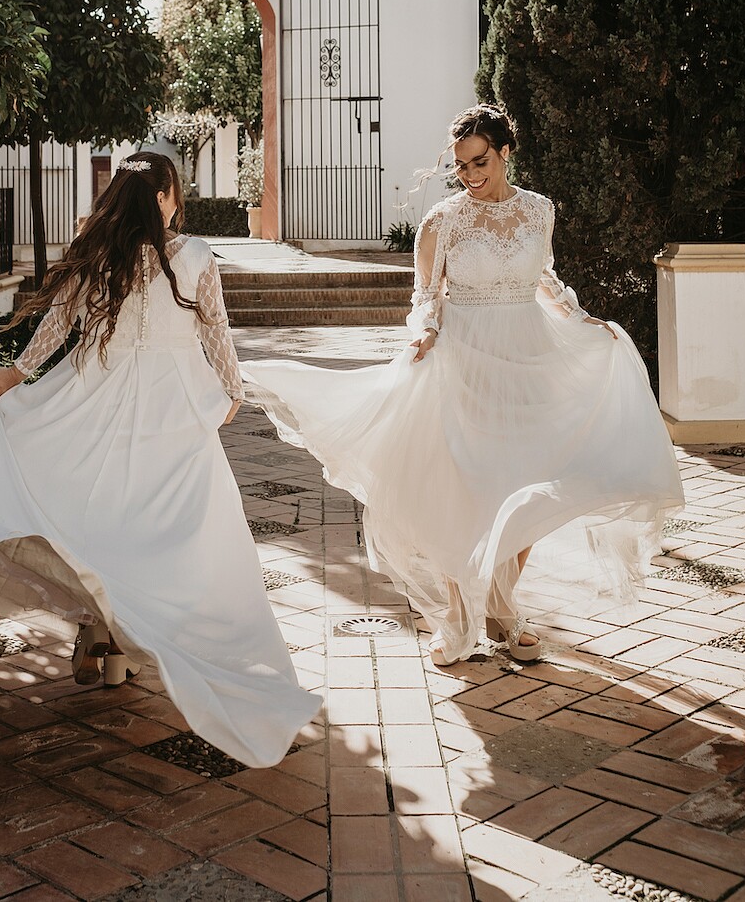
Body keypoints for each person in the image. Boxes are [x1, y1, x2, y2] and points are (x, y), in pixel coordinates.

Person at [0, 152, 319, 768]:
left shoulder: (98, 253)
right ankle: (122, 638)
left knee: (96, 520)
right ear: (167, 196)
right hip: (171, 410)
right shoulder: (193, 255)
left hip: (94, 397)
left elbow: (58, 321)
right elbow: (216, 333)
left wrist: (19, 372)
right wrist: (232, 393)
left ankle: (105, 635)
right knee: (169, 531)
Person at [242, 104, 684, 667]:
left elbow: (542, 275)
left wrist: (578, 317)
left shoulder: (539, 211)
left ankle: (500, 609)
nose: (471, 175)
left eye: (480, 162)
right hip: (464, 362)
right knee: (469, 491)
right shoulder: (443, 221)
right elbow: (426, 295)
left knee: (528, 484)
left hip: (528, 359)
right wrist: (423, 333)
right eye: (461, 166)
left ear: (505, 153)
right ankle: (459, 615)